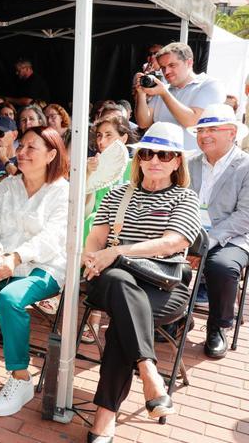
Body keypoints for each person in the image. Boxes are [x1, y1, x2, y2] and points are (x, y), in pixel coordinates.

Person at [82, 122, 201, 442]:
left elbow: (171, 243)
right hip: (112, 281)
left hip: (163, 286)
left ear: (177, 161)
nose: (155, 160)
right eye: (148, 152)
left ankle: (105, 415)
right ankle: (149, 372)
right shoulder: (119, 193)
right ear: (139, 158)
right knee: (120, 282)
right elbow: (94, 239)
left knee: (124, 319)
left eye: (165, 154)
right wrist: (91, 256)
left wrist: (117, 252)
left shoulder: (185, 198)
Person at [0, 126, 69, 417]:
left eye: (32, 147)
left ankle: (21, 377)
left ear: (51, 154)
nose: (21, 152)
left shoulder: (62, 192)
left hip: (41, 266)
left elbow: (53, 238)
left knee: (10, 299)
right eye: (21, 146)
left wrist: (15, 257)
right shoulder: (8, 185)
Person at [186, 104, 249, 359]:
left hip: (232, 237)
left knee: (222, 267)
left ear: (232, 133)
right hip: (189, 232)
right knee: (164, 257)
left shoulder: (245, 166)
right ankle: (174, 317)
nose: (204, 135)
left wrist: (208, 241)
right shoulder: (189, 162)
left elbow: (245, 216)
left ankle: (218, 326)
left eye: (212, 129)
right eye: (200, 130)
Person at [77, 115, 136, 342]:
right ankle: (74, 309)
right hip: (93, 226)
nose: (102, 141)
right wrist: (89, 176)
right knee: (84, 234)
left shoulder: (135, 167)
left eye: (109, 135)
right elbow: (83, 210)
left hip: (125, 230)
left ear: (123, 138)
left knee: (100, 243)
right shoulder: (92, 165)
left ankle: (93, 318)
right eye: (99, 136)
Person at [134, 42, 226, 151]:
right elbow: (143, 123)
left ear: (189, 62)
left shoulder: (210, 85)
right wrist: (141, 93)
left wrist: (164, 93)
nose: (166, 72)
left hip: (193, 162)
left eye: (172, 65)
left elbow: (193, 122)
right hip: (163, 160)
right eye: (163, 68)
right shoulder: (163, 89)